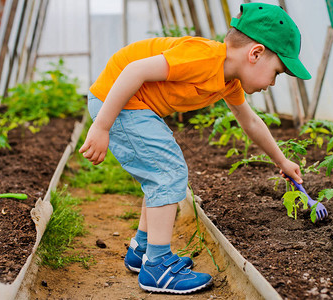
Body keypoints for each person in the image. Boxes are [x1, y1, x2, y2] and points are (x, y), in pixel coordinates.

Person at [79, 2, 310, 294]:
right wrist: (101, 126)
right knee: (167, 171)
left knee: (159, 172)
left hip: (134, 105)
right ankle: (158, 267)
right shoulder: (203, 57)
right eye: (277, 72)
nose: (273, 82)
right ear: (255, 54)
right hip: (118, 101)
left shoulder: (228, 81)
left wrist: (282, 161)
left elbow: (250, 121)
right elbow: (133, 70)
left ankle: (143, 249)